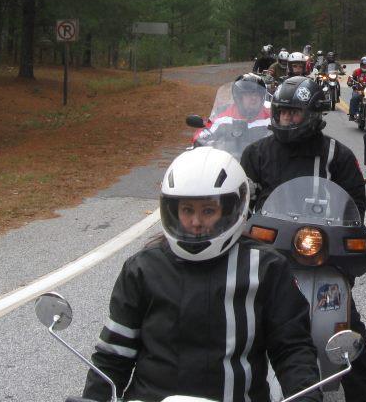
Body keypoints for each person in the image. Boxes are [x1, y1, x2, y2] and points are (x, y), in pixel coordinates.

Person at [81, 147, 321, 402]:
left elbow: (292, 349)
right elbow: (114, 354)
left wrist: (306, 396)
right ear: (172, 210)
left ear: (232, 209)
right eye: (187, 210)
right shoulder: (143, 268)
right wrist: (93, 398)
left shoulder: (266, 268)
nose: (196, 222)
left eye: (208, 210)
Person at [242, 76, 366, 402]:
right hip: (269, 253)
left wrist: (341, 238)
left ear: (313, 114)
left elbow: (354, 207)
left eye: (295, 113)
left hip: (321, 253)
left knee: (347, 319)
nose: (287, 119)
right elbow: (241, 205)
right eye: (282, 112)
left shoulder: (336, 155)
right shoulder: (256, 153)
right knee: (244, 313)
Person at [192, 73, 270, 146]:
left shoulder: (270, 117)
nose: (254, 98)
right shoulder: (223, 117)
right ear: (238, 97)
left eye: (258, 94)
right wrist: (205, 142)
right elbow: (201, 135)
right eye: (249, 94)